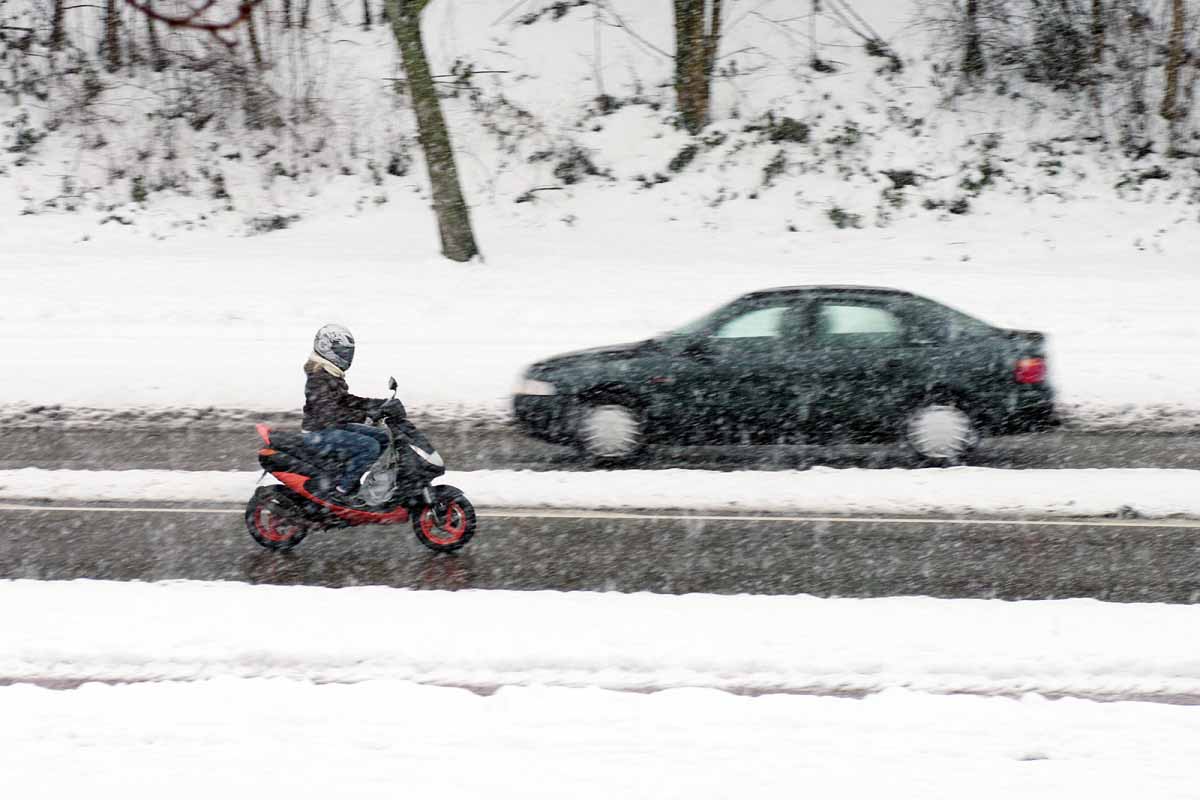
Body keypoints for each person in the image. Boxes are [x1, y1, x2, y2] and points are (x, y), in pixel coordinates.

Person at [301, 324, 389, 499]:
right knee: (369, 446)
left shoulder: (329, 372)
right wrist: (365, 417)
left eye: (348, 352)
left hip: (330, 428)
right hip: (318, 432)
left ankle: (350, 476)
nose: (346, 356)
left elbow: (344, 400)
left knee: (383, 437)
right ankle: (341, 492)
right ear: (326, 348)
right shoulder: (319, 376)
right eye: (342, 351)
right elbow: (329, 414)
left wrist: (377, 404)